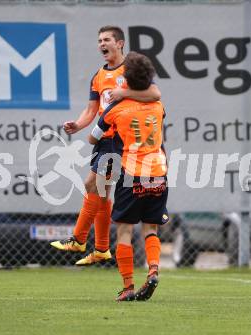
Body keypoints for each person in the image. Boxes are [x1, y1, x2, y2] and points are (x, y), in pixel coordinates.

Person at [50, 26, 161, 266]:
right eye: (99, 40)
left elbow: (154, 93)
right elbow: (92, 110)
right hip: (104, 138)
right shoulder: (98, 76)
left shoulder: (130, 70)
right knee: (101, 191)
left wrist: (124, 92)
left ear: (120, 43)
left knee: (93, 185)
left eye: (107, 39)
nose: (102, 43)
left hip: (118, 138)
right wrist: (78, 125)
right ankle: (100, 248)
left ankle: (79, 239)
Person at [89, 51, 169, 302]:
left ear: (126, 81)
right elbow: (153, 95)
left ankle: (128, 286)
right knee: (151, 228)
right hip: (159, 174)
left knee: (124, 231)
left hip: (132, 175)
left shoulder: (116, 109)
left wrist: (115, 105)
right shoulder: (158, 106)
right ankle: (153, 269)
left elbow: (92, 137)